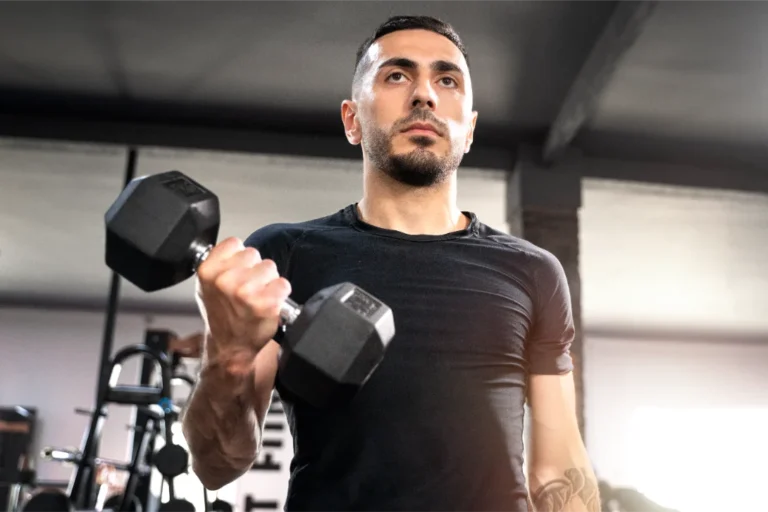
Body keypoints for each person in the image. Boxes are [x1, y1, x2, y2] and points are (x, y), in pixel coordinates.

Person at [181, 15, 599, 512]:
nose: (424, 94)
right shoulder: (285, 254)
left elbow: (559, 471)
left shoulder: (534, 272)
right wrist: (227, 357)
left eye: (447, 80)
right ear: (352, 120)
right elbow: (217, 466)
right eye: (396, 76)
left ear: (469, 129)